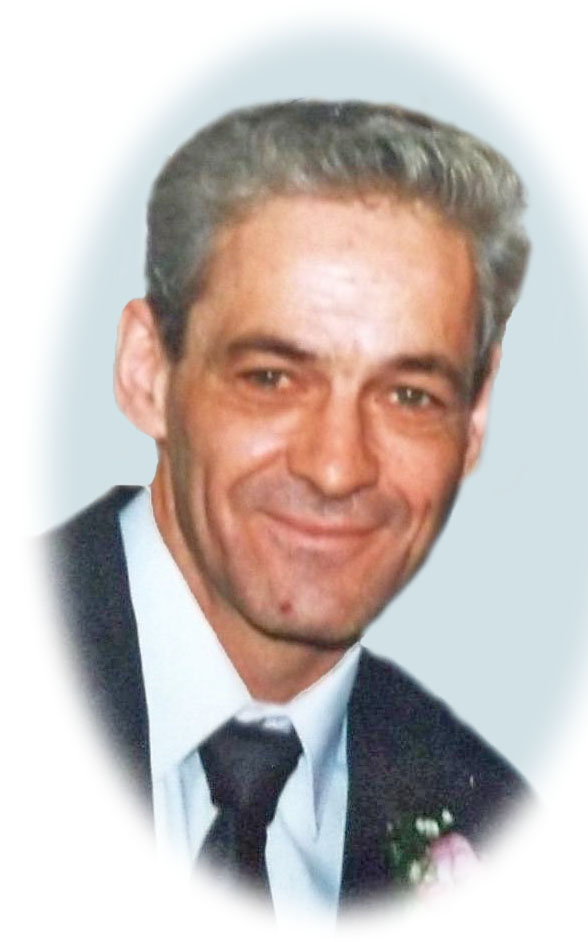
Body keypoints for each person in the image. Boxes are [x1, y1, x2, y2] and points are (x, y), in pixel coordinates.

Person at [46, 99, 531, 918]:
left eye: (409, 395)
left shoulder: (502, 832)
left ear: (474, 420)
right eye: (271, 378)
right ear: (147, 373)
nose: (337, 468)